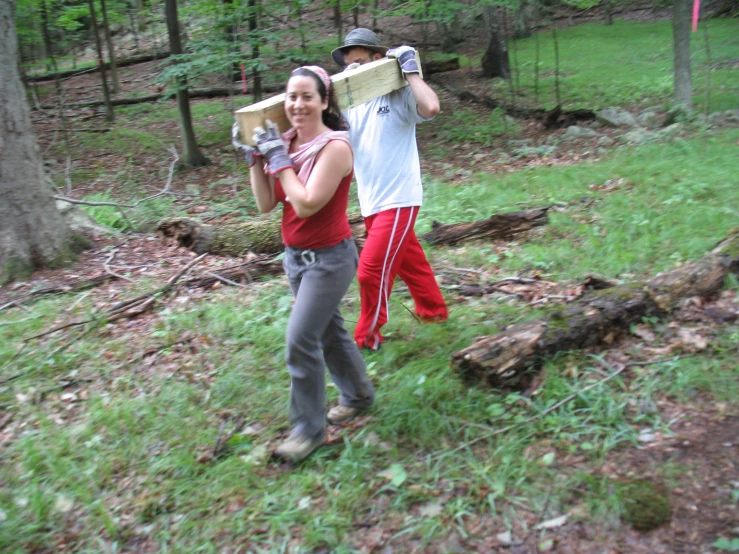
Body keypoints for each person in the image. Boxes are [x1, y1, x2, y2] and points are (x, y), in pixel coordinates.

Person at [231, 65, 374, 462]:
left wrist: (278, 159)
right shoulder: (287, 143)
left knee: (300, 340)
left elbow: (308, 203)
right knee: (328, 333)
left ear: (324, 101)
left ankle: (308, 431)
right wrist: (254, 159)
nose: (298, 104)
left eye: (307, 96)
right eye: (291, 97)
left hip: (330, 259)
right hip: (295, 259)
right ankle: (359, 394)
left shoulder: (336, 147)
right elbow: (265, 204)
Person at [331, 28, 448, 351]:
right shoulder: (349, 105)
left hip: (399, 198)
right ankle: (435, 313)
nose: (352, 70)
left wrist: (409, 71)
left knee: (370, 271)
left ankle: (366, 337)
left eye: (359, 63)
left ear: (377, 60)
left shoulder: (397, 96)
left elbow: (432, 106)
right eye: (347, 66)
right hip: (371, 201)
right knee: (411, 260)